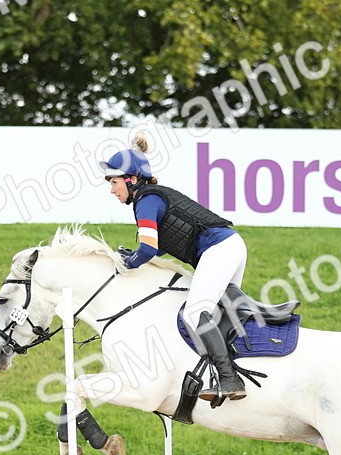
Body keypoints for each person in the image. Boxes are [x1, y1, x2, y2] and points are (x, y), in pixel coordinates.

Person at [101, 134, 248, 400]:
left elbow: (148, 248)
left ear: (131, 180)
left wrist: (129, 263)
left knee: (195, 312)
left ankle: (229, 379)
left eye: (114, 182)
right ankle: (235, 368)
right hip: (230, 245)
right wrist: (135, 255)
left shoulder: (145, 201)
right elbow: (159, 245)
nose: (111, 190)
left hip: (219, 249)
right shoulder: (152, 197)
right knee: (220, 312)